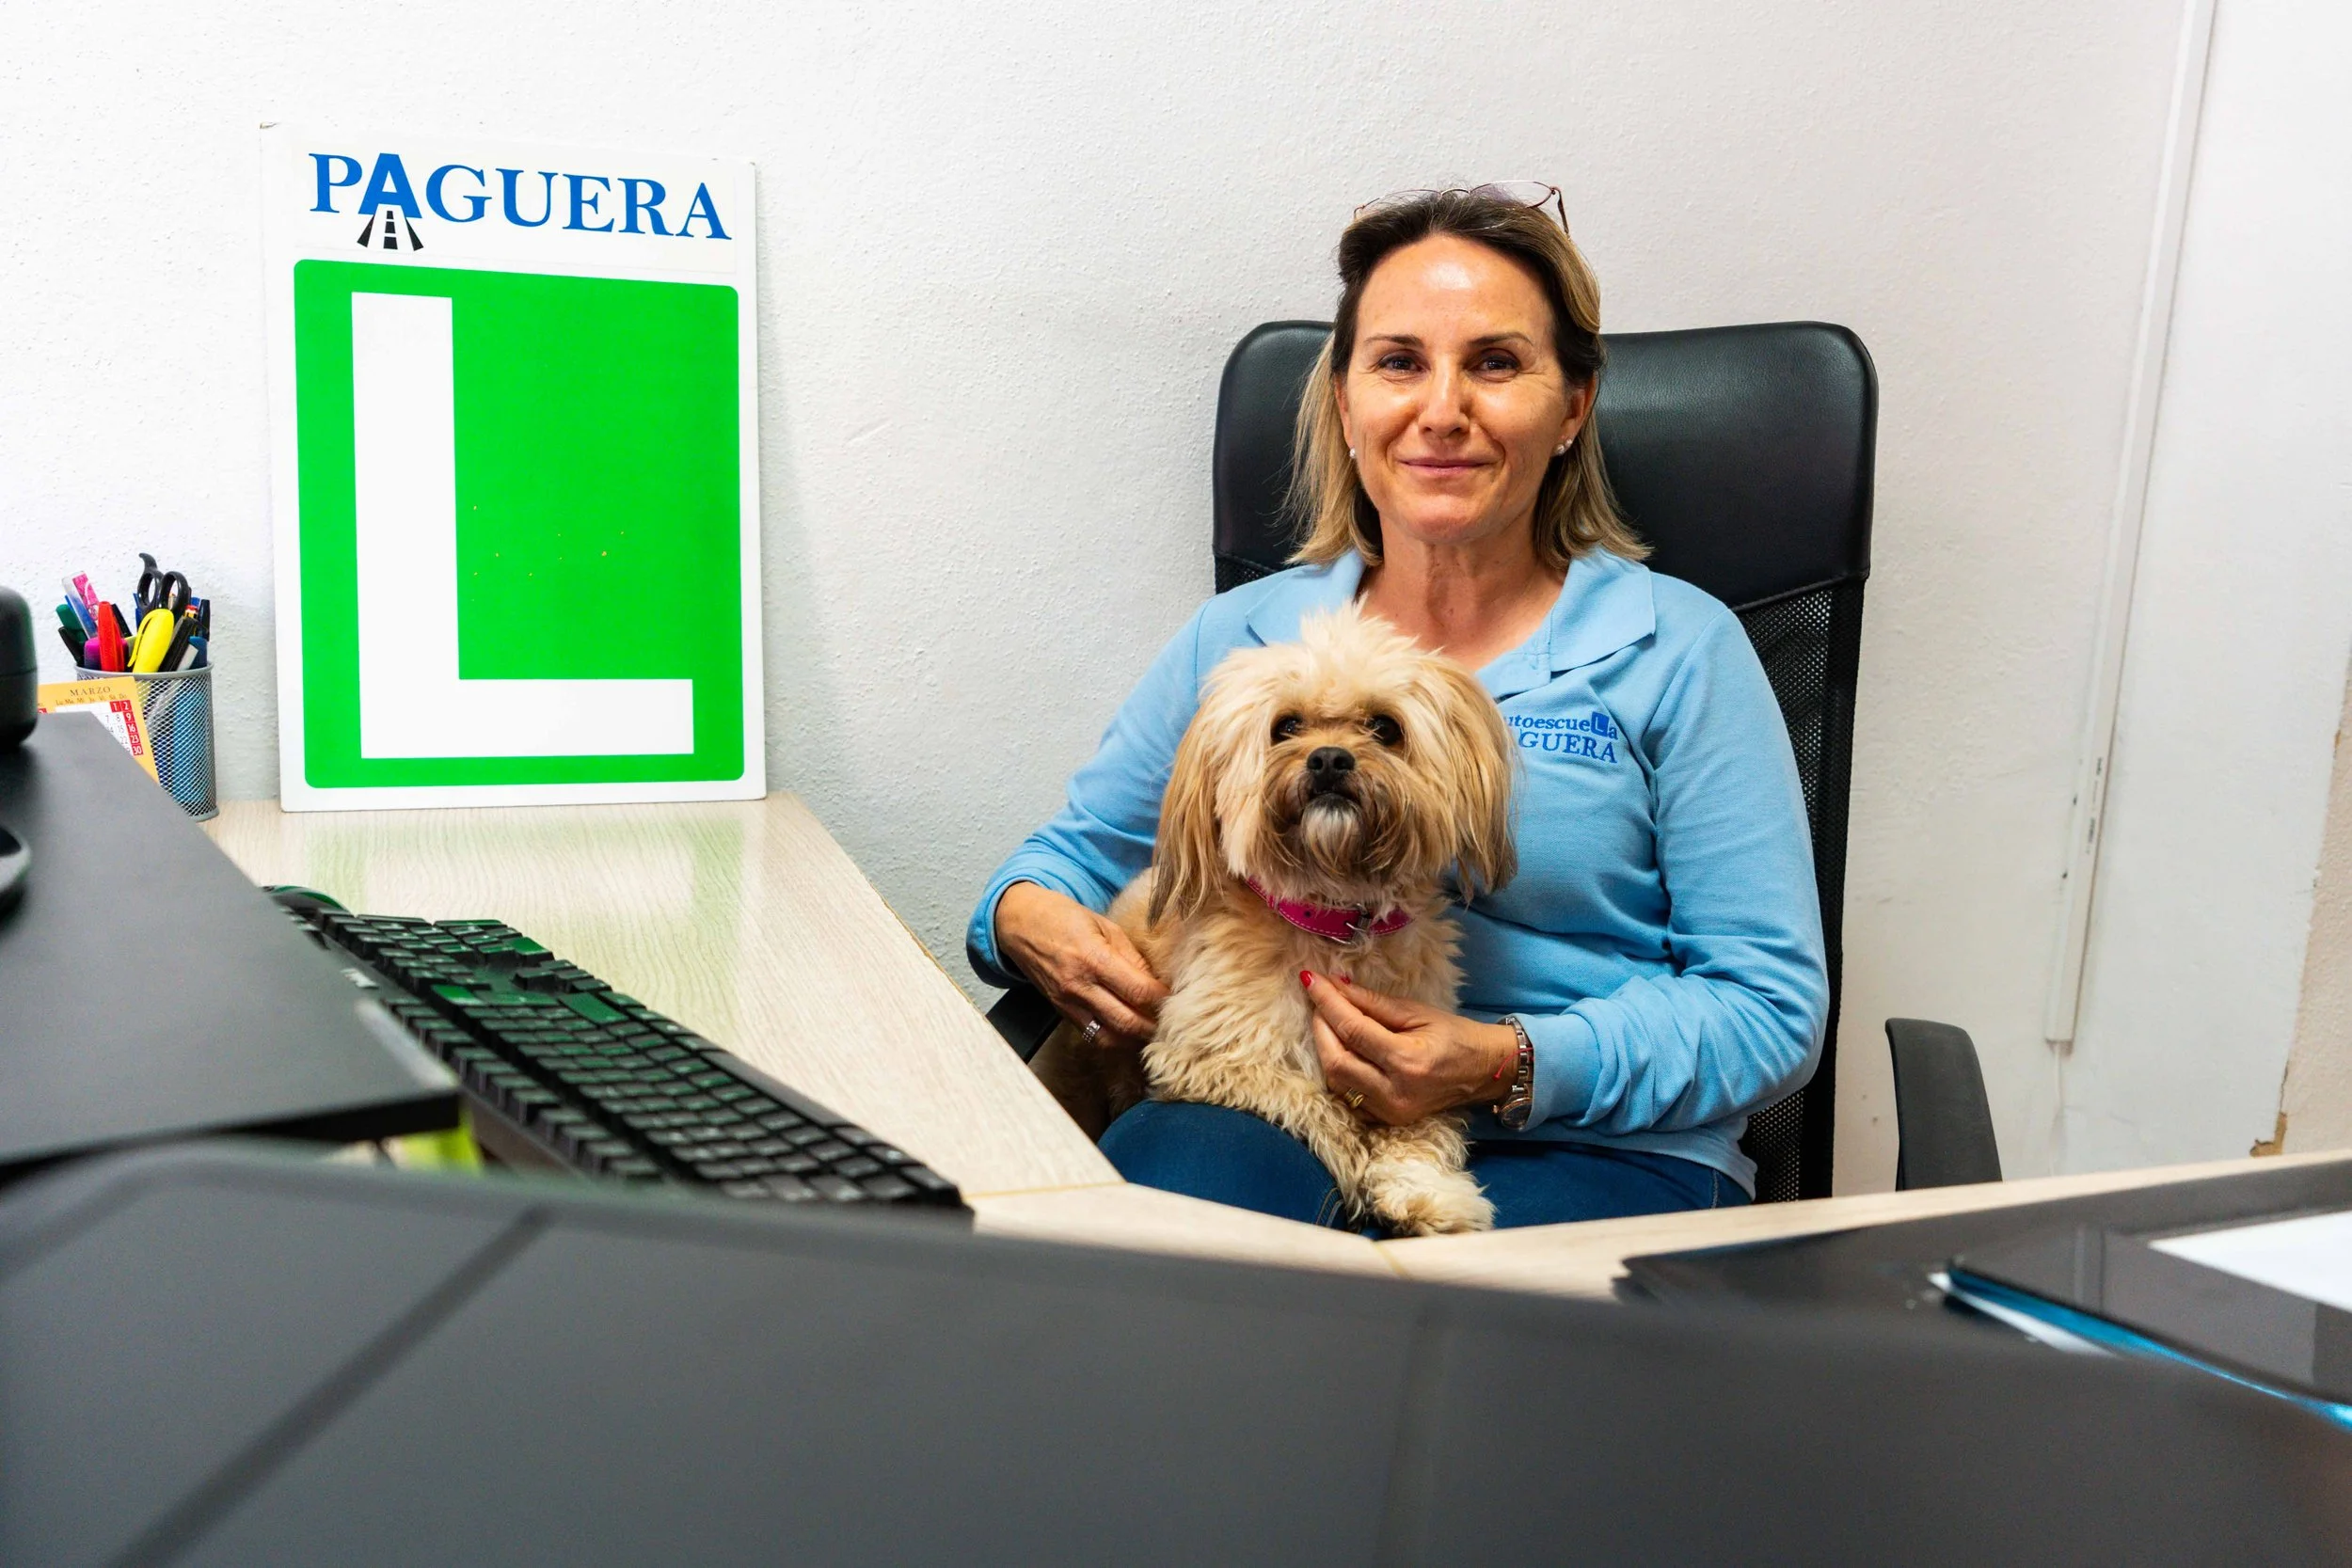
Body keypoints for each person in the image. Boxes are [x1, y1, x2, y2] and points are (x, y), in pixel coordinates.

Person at [966, 185, 1828, 1229]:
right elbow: (1076, 855)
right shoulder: (1244, 637)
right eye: (1398, 361)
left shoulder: (1679, 649)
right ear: (1343, 400)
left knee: (1453, 1341)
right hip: (1266, 1107)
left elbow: (1768, 1007)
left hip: (1594, 1140)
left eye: (1495, 363)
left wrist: (1511, 1061)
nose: (1441, 409)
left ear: (1572, 407)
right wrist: (1024, 917)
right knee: (1172, 1227)